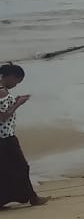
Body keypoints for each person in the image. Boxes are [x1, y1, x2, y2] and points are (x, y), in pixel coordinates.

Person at [0, 63, 48, 208]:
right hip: (5, 137)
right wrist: (18, 104)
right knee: (21, 167)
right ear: (10, 76)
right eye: (16, 81)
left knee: (5, 170)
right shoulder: (2, 92)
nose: (16, 85)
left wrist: (14, 101)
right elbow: (2, 116)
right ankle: (33, 198)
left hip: (4, 137)